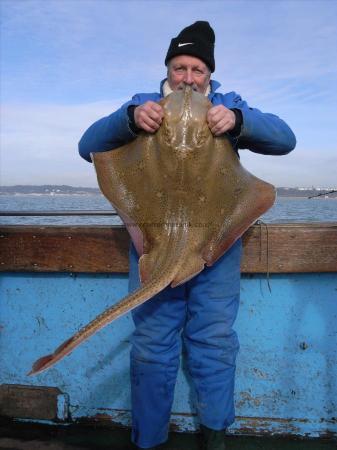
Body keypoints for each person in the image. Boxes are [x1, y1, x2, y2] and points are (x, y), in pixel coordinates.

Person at [79, 21, 296, 450]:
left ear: (209, 75)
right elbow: (88, 146)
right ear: (168, 69)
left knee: (213, 343)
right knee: (152, 344)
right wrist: (129, 120)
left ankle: (214, 437)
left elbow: (285, 139)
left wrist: (238, 121)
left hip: (214, 245)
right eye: (180, 67)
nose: (188, 78)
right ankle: (149, 440)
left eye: (197, 69)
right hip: (156, 241)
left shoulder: (230, 106)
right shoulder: (143, 104)